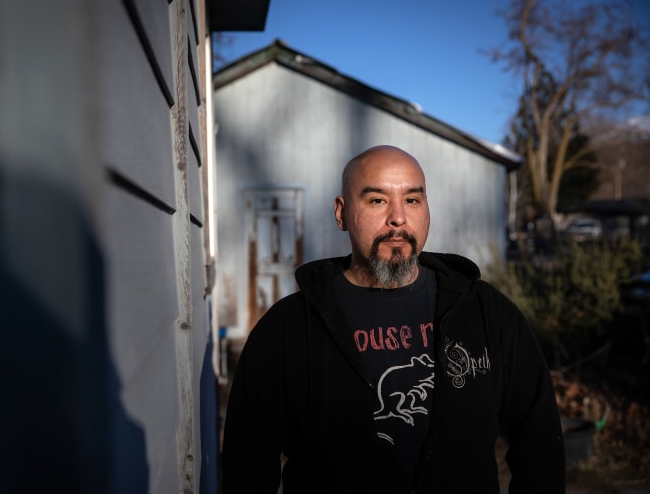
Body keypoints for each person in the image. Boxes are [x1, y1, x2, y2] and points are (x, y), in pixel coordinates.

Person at [221, 145, 565, 493]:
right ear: (341, 213)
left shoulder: (484, 311)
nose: (398, 218)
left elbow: (540, 444)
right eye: (377, 200)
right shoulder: (289, 329)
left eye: (412, 200)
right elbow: (246, 467)